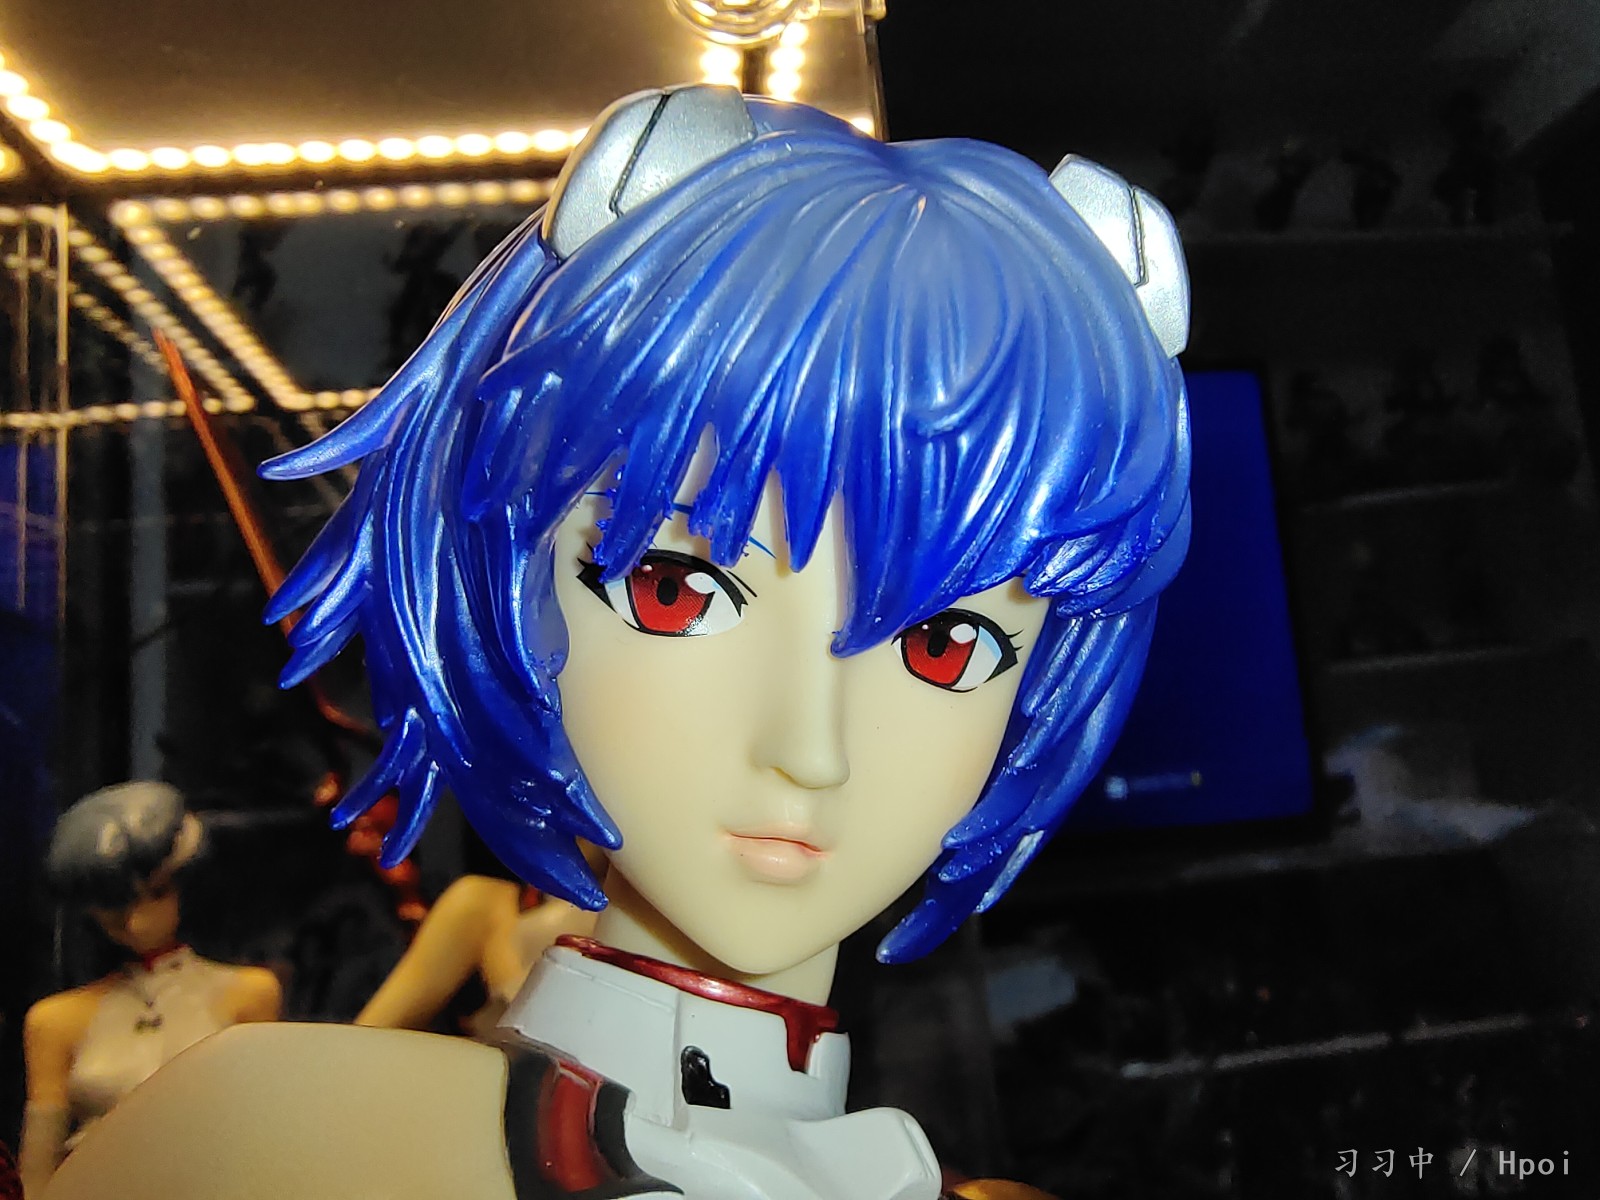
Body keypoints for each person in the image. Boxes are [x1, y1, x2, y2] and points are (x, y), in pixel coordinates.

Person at [43, 84, 1189, 1199]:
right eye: (675, 590)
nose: (811, 750)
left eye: (945, 645)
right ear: (517, 574)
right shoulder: (270, 1141)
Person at [20, 782, 280, 1195]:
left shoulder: (248, 993)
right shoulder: (56, 1020)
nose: (135, 921)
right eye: (114, 905)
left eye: (156, 893)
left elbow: (266, 1138)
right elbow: (36, 1175)